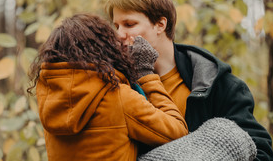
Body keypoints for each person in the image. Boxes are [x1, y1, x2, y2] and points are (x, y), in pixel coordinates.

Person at [106, 0, 273, 161]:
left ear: (160, 24)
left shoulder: (216, 84)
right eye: (116, 26)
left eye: (129, 24)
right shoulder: (115, 84)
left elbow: (261, 152)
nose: (119, 34)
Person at [27, 13, 188, 161]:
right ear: (103, 49)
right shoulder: (117, 96)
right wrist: (146, 73)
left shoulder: (49, 98)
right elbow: (178, 133)